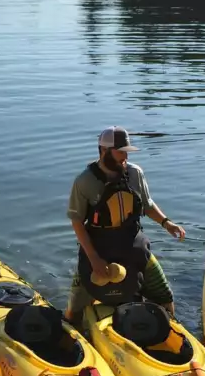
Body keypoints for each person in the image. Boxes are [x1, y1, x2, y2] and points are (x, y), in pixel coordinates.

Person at [65, 126, 185, 323]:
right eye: (121, 152)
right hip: (98, 246)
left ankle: (168, 327)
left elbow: (147, 204)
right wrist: (94, 259)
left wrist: (167, 223)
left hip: (133, 243)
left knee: (164, 295)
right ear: (104, 151)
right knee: (75, 308)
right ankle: (74, 331)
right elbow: (77, 221)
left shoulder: (135, 173)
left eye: (127, 152)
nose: (125, 157)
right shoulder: (85, 181)